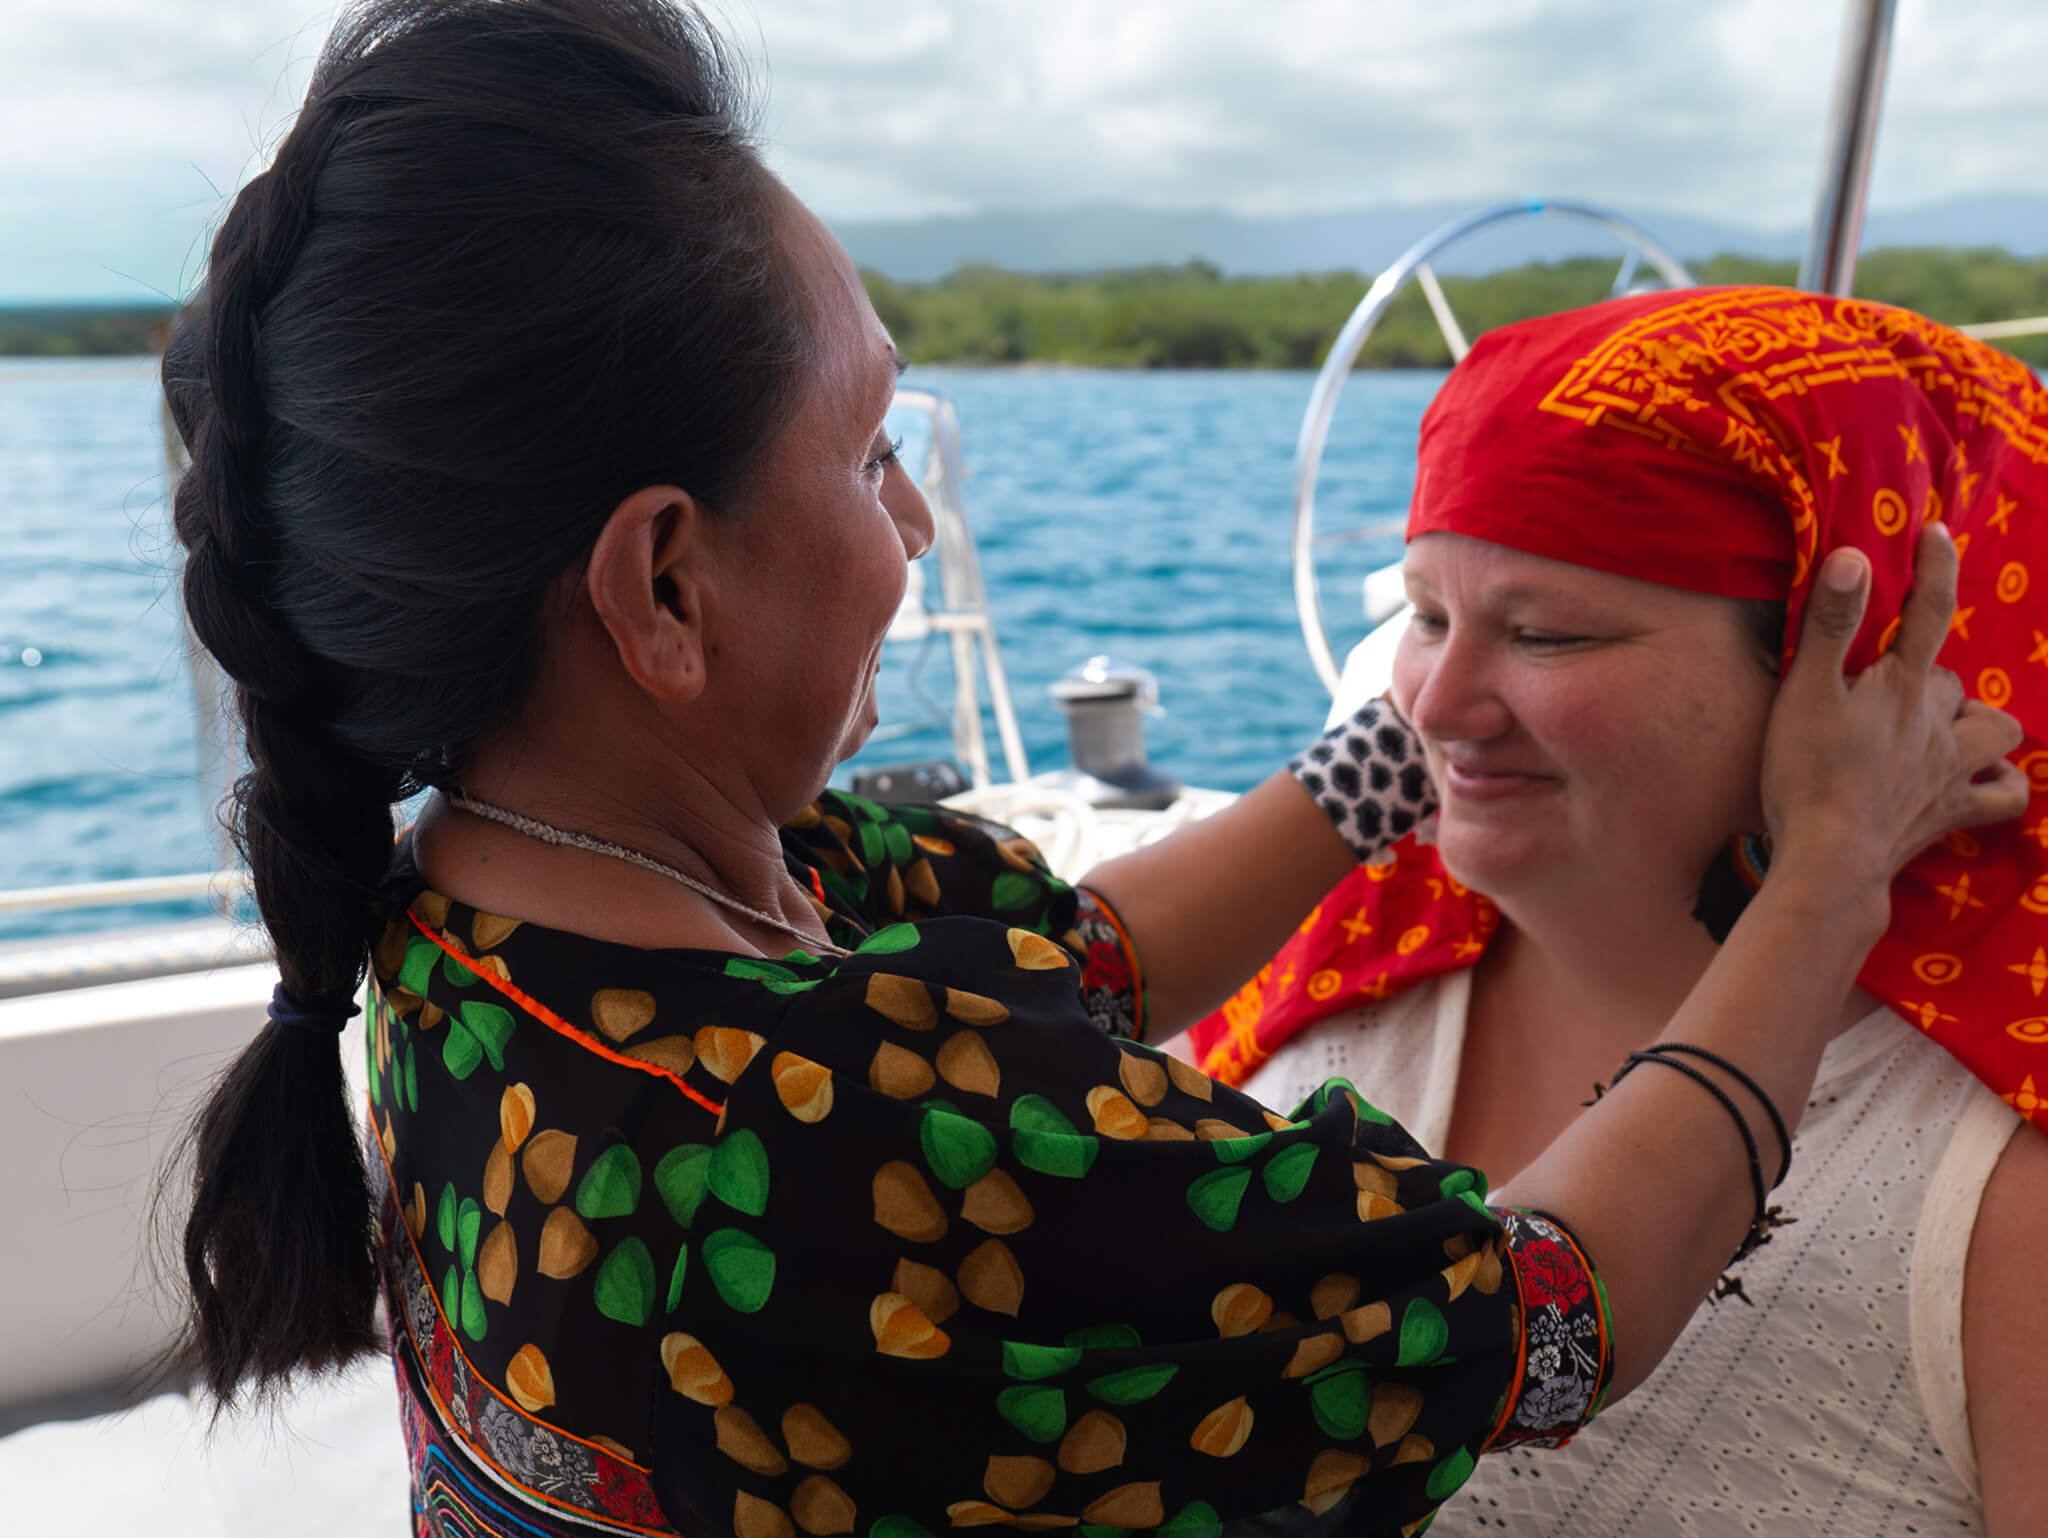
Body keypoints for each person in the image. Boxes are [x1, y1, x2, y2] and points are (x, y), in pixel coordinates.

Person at [157, 3, 2024, 1534]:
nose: (908, 526)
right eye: (873, 449)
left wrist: (1405, 735)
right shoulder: (846, 1132)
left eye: (1536, 628)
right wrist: (1823, 872)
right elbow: (1558, 1307)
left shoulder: (478, 930)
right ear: (662, 583)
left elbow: (1072, 953)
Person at [1190, 287, 2048, 1535]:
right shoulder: (1313, 1007)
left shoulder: (1994, 1176)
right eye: (1423, 615)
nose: (1428, 705)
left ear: (1853, 679)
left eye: (1543, 633)